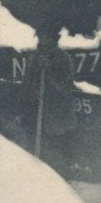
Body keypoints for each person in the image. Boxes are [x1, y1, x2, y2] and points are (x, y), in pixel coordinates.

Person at [18, 24, 78, 164]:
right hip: (34, 116)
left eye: (47, 37)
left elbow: (64, 87)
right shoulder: (34, 58)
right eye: (41, 37)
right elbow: (26, 85)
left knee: (56, 159)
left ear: (54, 39)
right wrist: (21, 111)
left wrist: (49, 69)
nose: (43, 41)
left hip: (57, 119)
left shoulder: (64, 58)